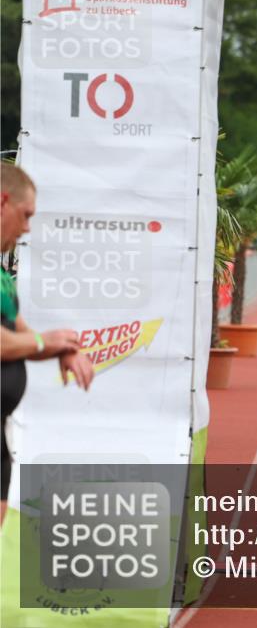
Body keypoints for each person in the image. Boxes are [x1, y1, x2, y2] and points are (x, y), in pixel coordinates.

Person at [1, 163, 94, 503]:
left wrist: (62, 349)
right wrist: (46, 341)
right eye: (25, 215)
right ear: (2, 202)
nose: (27, 229)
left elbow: (18, 334)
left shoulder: (1, 273)